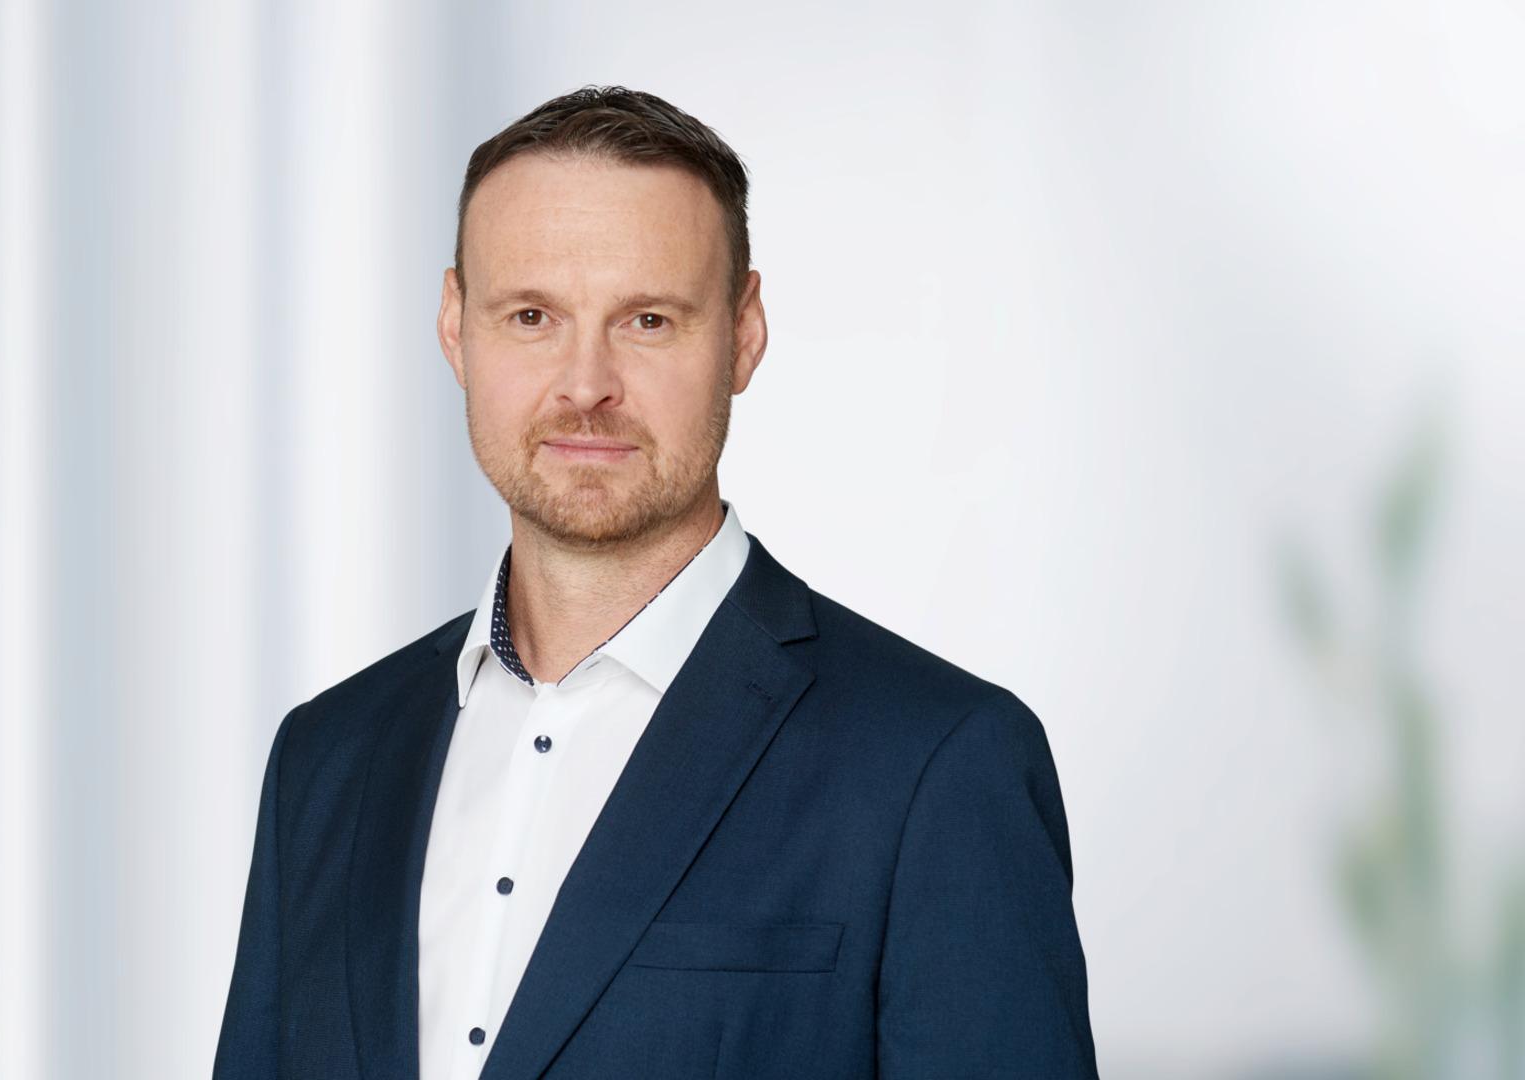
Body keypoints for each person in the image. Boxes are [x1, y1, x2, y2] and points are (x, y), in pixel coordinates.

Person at [213, 85, 1097, 1080]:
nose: (586, 384)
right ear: (456, 327)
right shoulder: (326, 760)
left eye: (646, 320)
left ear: (743, 333)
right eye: (532, 315)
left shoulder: (937, 765)